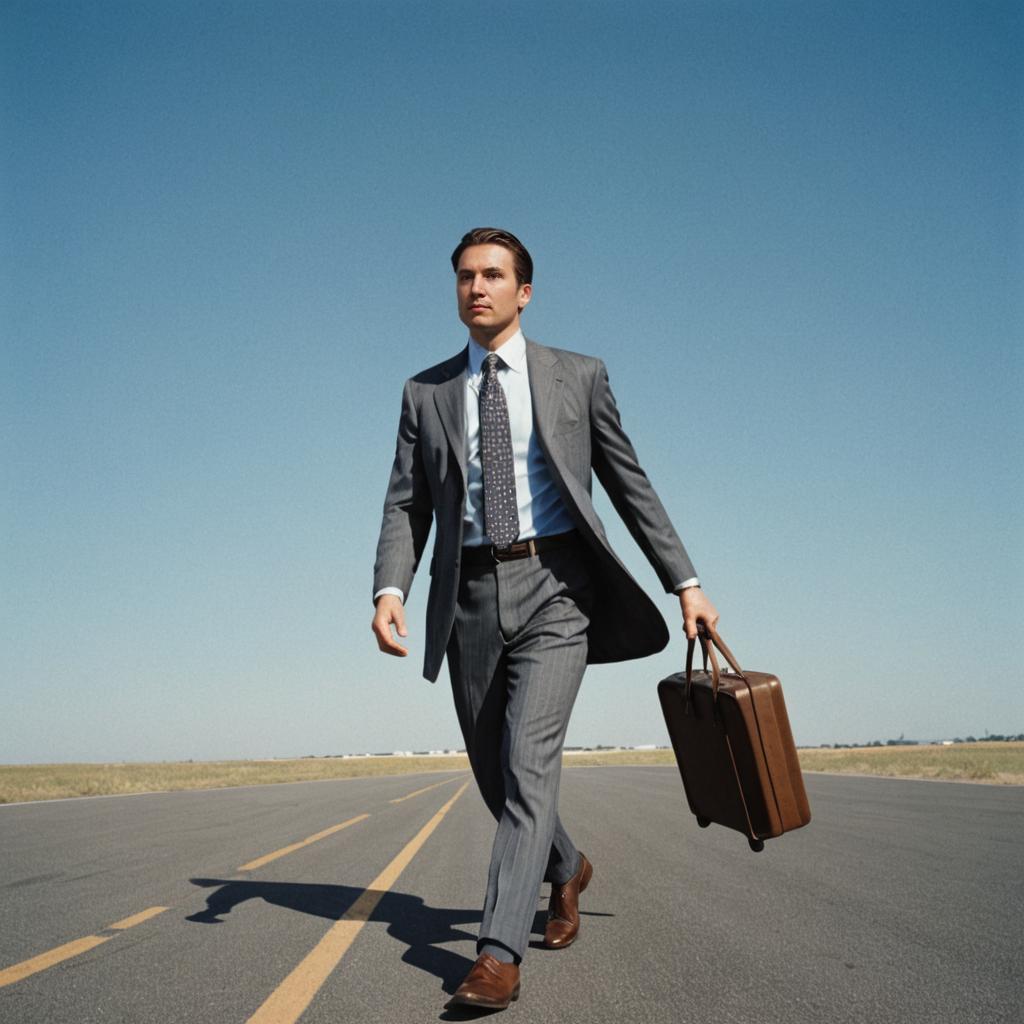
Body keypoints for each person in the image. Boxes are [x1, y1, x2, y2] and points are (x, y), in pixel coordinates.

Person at [371, 227, 719, 1011]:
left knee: (529, 764)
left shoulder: (577, 376)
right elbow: (406, 503)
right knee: (494, 774)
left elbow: (631, 486)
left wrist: (685, 582)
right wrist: (389, 589)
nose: (477, 289)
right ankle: (567, 866)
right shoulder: (424, 393)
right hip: (467, 599)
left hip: (559, 588)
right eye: (465, 277)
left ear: (523, 292)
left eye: (493, 276)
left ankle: (496, 952)